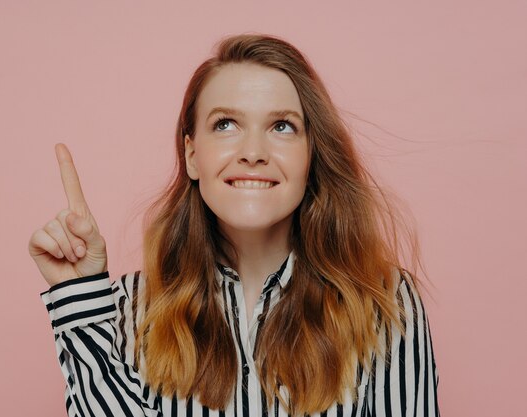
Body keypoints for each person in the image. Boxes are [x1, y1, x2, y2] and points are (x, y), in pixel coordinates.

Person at [29, 33, 440, 417]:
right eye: (226, 124)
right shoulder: (126, 308)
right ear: (192, 154)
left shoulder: (383, 304)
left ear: (310, 155)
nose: (253, 152)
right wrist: (79, 297)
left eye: (282, 127)